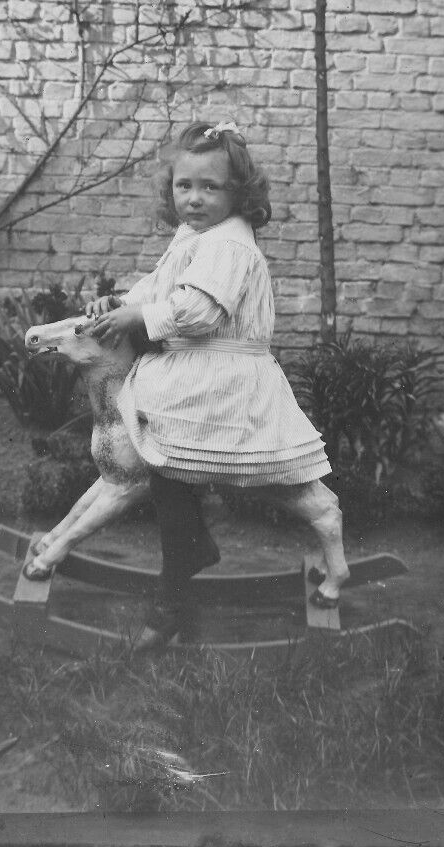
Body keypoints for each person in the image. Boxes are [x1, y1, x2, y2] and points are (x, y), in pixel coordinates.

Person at [83, 119, 350, 647]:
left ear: (239, 192)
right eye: (185, 186)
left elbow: (199, 310)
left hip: (221, 377)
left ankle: (173, 594)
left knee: (177, 457)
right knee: (160, 457)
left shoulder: (229, 245)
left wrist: (139, 320)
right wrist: (120, 303)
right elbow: (160, 285)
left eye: (212, 187)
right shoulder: (196, 235)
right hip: (193, 373)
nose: (196, 199)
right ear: (171, 189)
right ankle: (188, 558)